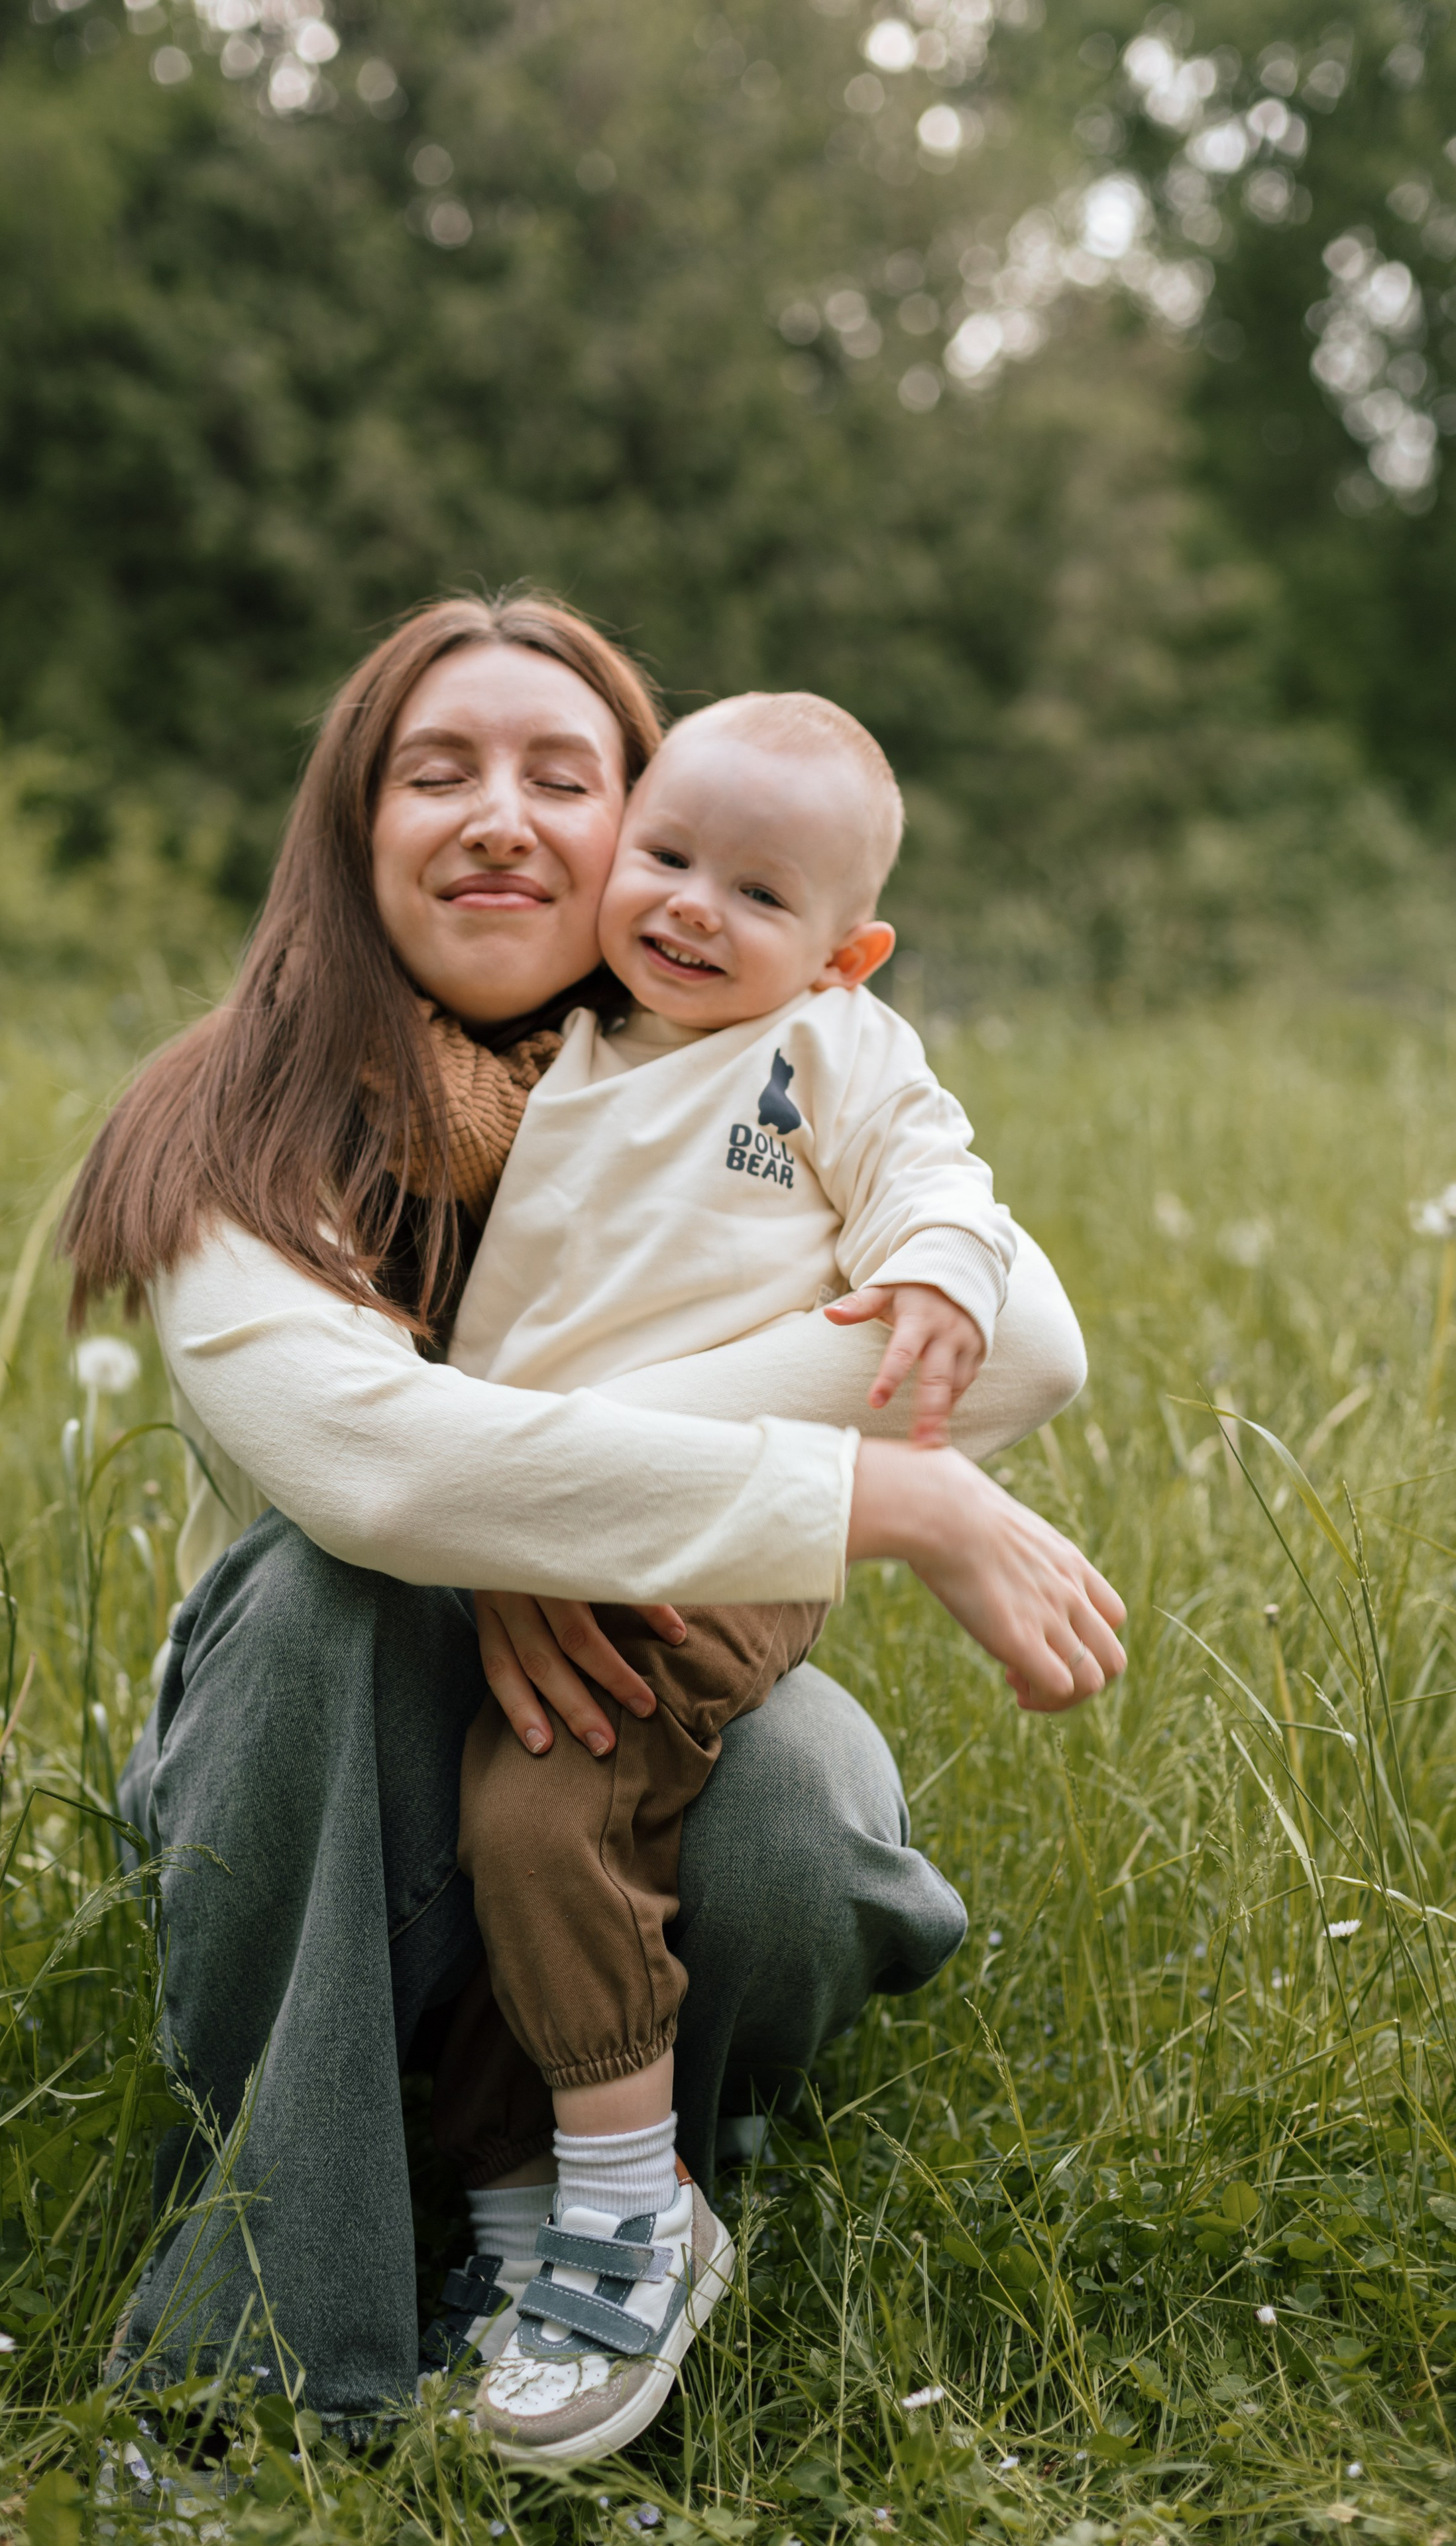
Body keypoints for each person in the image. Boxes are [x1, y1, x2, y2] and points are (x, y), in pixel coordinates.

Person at [59, 591, 1125, 2440]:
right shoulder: (236, 1121)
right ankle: (277, 2313)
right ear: (352, 827)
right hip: (331, 1761)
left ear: (625, 827)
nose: (502, 815)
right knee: (330, 1588)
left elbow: (1018, 1336)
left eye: (565, 775)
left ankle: (601, 2214)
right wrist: (862, 1485)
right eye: (437, 770)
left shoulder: (751, 1059)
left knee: (794, 1791)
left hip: (620, 1688)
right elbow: (380, 1471)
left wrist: (545, 1496)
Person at [443, 689, 1030, 2460]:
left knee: (550, 1809)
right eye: (670, 856)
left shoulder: (828, 1054)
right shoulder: (565, 1047)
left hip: (726, 1519)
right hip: (539, 1517)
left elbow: (939, 1167)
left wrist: (940, 1271)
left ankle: (634, 2207)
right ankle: (523, 2183)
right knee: (486, 1815)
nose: (695, 907)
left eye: (757, 893)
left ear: (843, 950)